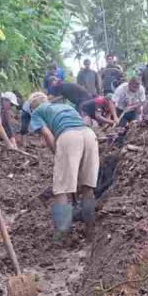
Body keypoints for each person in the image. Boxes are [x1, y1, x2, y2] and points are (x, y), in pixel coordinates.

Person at [27, 92, 99, 240]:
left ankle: (62, 235)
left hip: (68, 137)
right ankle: (90, 231)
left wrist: (57, 152)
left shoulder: (37, 113)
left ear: (33, 107)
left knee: (61, 189)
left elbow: (47, 135)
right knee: (87, 186)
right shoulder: (66, 107)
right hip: (89, 135)